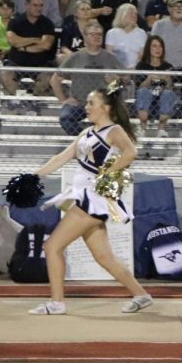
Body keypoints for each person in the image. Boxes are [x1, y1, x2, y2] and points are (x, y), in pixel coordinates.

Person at [27, 83, 152, 316]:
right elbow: (61, 157)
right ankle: (142, 295)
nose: (86, 107)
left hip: (92, 199)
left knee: (52, 246)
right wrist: (32, 176)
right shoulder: (86, 133)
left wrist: (106, 172)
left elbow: (131, 152)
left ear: (105, 107)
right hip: (84, 198)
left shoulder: (113, 131)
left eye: (91, 103)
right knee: (104, 257)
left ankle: (56, 303)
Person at [52, 22, 122, 136]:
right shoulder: (75, 57)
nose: (97, 37)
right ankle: (85, 138)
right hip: (79, 104)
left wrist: (115, 82)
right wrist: (64, 100)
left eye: (100, 34)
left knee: (117, 119)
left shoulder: (109, 57)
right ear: (85, 37)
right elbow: (55, 79)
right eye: (93, 34)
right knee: (65, 118)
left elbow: (127, 79)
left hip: (103, 104)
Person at [1, 0, 57, 97]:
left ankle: (32, 102)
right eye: (35, 5)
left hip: (41, 64)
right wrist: (35, 40)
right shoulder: (15, 22)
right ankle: (20, 101)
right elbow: (12, 41)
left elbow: (46, 45)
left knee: (47, 78)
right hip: (16, 63)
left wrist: (23, 47)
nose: (38, 8)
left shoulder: (47, 23)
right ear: (27, 5)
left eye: (41, 5)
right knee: (5, 75)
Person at [134, 35, 179, 139]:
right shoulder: (141, 66)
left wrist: (166, 79)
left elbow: (170, 88)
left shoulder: (168, 66)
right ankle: (143, 129)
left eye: (160, 46)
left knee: (168, 94)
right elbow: (139, 87)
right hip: (146, 97)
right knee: (144, 91)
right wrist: (149, 78)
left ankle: (161, 129)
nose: (157, 49)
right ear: (148, 49)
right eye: (154, 46)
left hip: (162, 97)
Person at [105, 3, 147, 70]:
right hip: (116, 70)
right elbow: (109, 54)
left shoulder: (141, 33)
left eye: (135, 14)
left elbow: (141, 55)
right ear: (122, 15)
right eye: (131, 13)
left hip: (135, 71)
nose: (134, 16)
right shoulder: (112, 33)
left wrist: (132, 69)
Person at [57, 0, 91, 64]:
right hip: (72, 56)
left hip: (90, 56)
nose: (86, 11)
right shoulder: (69, 28)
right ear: (76, 13)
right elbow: (64, 47)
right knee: (60, 57)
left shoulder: (95, 28)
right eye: (82, 9)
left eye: (88, 9)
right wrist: (74, 55)